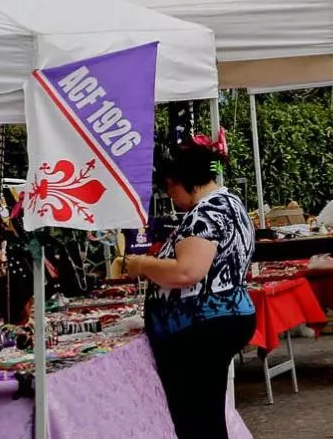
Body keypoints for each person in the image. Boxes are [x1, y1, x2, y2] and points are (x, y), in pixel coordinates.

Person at [125, 132, 254, 439]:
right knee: (205, 416)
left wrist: (140, 264)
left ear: (183, 180)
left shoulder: (205, 213)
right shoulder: (230, 203)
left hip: (200, 328)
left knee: (196, 420)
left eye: (170, 188)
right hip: (216, 321)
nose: (170, 196)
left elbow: (186, 272)